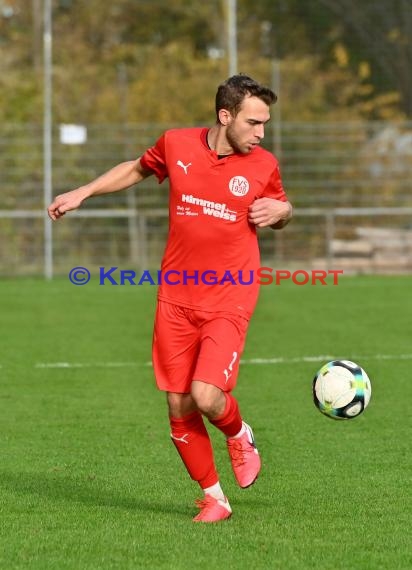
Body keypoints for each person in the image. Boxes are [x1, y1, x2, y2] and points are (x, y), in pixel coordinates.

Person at [48, 74, 292, 523]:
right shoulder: (176, 144)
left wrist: (283, 212)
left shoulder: (263, 164)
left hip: (229, 295)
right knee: (178, 404)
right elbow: (138, 168)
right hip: (176, 296)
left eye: (264, 124)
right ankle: (214, 498)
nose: (261, 133)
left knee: (205, 395)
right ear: (225, 116)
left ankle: (239, 434)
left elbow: (280, 207)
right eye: (254, 123)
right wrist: (83, 191)